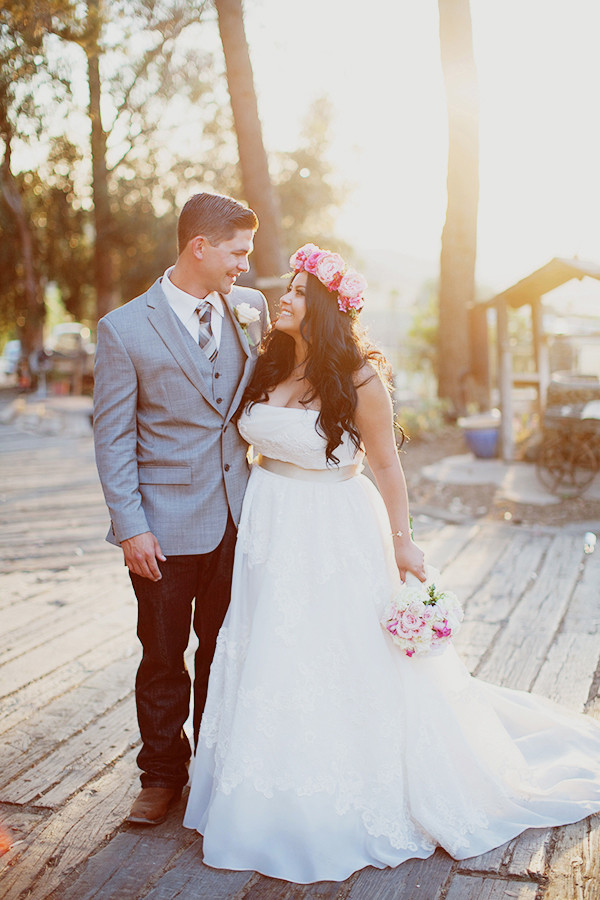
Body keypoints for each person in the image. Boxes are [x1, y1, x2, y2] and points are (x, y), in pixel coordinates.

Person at [183, 243, 600, 884]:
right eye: (286, 290)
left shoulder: (358, 378)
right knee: (271, 649)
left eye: (296, 292)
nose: (283, 300)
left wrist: (403, 541)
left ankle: (342, 791)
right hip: (271, 530)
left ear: (321, 307)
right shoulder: (268, 361)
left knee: (339, 653)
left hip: (333, 529)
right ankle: (266, 785)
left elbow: (384, 464)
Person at [93, 192, 269, 826]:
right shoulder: (124, 328)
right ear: (201, 246)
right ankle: (162, 776)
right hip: (161, 529)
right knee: (164, 657)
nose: (243, 265)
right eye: (237, 252)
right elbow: (112, 436)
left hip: (239, 517)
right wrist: (130, 527)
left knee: (223, 652)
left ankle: (216, 770)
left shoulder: (251, 310)